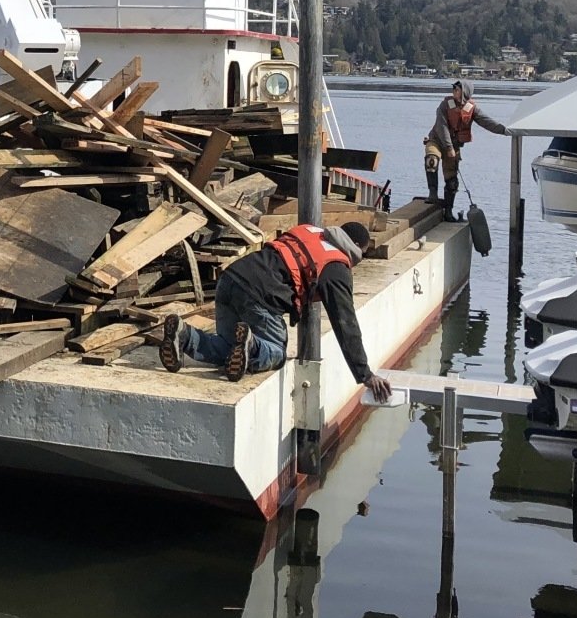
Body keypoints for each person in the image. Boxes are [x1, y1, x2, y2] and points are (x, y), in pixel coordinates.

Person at [159, 220, 393, 399]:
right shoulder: (337, 267)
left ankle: (185, 335)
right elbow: (346, 323)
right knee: (275, 353)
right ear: (356, 249)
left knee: (231, 348)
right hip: (259, 297)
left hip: (230, 279)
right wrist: (365, 375)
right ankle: (253, 346)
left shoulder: (311, 231)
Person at [424, 79, 508, 219]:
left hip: (454, 146)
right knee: (431, 160)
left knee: (452, 181)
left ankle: (448, 211)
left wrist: (505, 130)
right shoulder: (445, 105)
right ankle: (432, 193)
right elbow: (441, 126)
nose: (454, 91)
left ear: (465, 92)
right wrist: (448, 146)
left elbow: (487, 122)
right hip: (437, 141)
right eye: (454, 89)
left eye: (457, 89)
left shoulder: (472, 109)